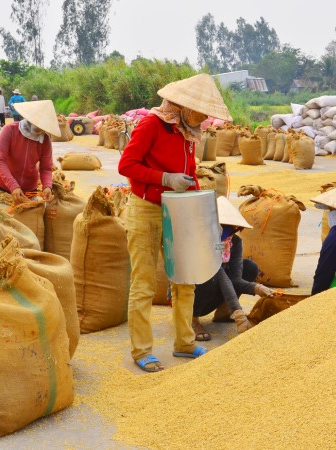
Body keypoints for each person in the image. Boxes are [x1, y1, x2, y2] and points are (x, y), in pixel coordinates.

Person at [118, 73, 232, 372]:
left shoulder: (186, 132)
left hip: (180, 211)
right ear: (182, 107)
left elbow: (190, 174)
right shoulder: (151, 125)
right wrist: (164, 178)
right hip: (146, 209)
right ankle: (142, 350)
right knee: (143, 284)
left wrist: (203, 208)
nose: (204, 118)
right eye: (200, 112)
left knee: (186, 278)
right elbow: (126, 165)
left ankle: (184, 342)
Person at [191, 197, 275, 341]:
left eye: (231, 227)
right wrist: (239, 313)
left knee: (249, 267)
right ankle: (192, 320)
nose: (226, 232)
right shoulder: (200, 240)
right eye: (222, 226)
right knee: (212, 273)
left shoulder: (234, 242)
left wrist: (258, 288)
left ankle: (223, 312)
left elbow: (235, 279)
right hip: (192, 296)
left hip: (215, 291)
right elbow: (219, 274)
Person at [0, 100, 60, 206]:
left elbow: (46, 168)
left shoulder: (45, 140)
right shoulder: (9, 130)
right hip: (3, 186)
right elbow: (0, 162)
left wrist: (47, 186)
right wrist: (13, 186)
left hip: (29, 189)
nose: (40, 129)